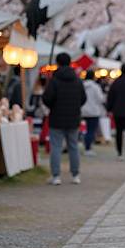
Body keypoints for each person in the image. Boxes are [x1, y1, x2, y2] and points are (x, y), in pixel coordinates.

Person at [42, 53, 86, 185]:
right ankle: (75, 175)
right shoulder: (77, 80)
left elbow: (47, 98)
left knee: (56, 147)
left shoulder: (54, 80)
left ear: (58, 63)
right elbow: (83, 98)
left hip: (57, 118)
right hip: (73, 118)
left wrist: (53, 106)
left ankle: (56, 176)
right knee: (73, 147)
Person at [81, 69, 106, 156]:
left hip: (82, 111)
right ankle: (88, 148)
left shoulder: (82, 85)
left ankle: (85, 146)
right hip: (93, 111)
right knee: (91, 131)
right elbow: (101, 99)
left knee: (84, 130)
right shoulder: (95, 87)